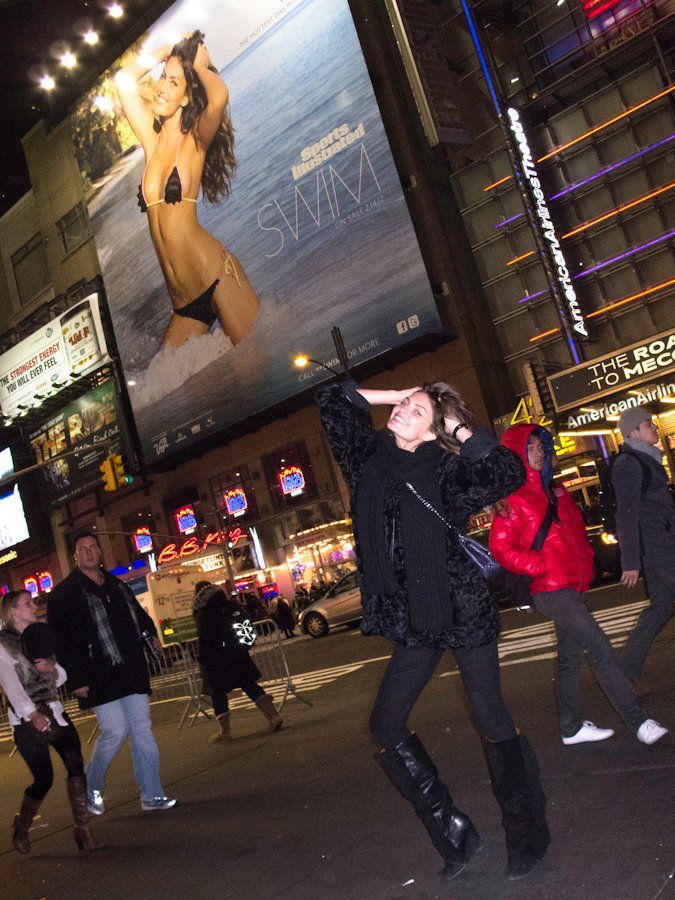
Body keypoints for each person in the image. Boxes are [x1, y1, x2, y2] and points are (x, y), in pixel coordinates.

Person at [317, 378, 549, 881]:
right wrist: (394, 393)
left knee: (491, 717)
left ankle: (528, 834)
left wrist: (460, 428)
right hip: (414, 617)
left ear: (431, 431)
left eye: (416, 411)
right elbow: (332, 399)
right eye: (402, 405)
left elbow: (507, 471)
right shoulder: (367, 459)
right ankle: (455, 834)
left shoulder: (447, 471)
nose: (403, 411)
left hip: (461, 606)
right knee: (384, 723)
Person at [489, 424, 667, 748]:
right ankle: (639, 721)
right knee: (598, 645)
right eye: (530, 447)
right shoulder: (513, 499)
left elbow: (576, 533)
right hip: (549, 588)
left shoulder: (554, 490)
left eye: (541, 446)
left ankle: (571, 728)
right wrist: (538, 566)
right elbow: (501, 547)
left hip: (572, 585)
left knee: (570, 657)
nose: (539, 451)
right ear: (516, 454)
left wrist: (587, 561)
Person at [115, 30, 259, 348]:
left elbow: (219, 96)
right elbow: (124, 81)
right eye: (163, 78)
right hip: (184, 303)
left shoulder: (194, 141)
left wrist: (198, 68)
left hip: (215, 275)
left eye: (174, 83)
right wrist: (167, 50)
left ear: (186, 97)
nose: (162, 88)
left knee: (261, 363)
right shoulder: (151, 143)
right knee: (173, 392)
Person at [47, 530, 176, 813]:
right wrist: (76, 679)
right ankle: (91, 784)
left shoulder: (116, 584)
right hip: (97, 673)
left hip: (131, 667)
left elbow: (138, 615)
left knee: (142, 729)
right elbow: (63, 641)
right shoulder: (64, 594)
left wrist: (151, 633)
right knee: (115, 731)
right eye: (84, 549)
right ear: (74, 555)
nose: (90, 552)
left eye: (94, 547)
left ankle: (152, 794)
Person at [0, 591, 101, 853]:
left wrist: (52, 669)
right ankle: (22, 825)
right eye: (27, 603)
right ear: (12, 611)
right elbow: (11, 685)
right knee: (43, 778)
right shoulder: (4, 644)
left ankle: (83, 830)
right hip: (26, 718)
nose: (34, 606)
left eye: (33, 602)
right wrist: (32, 714)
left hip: (54, 709)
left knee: (75, 762)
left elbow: (59, 676)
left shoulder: (40, 634)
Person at [612, 406, 675, 686]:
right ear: (633, 431)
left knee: (661, 607)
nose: (654, 426)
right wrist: (631, 562)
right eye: (647, 423)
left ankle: (624, 670)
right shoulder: (629, 463)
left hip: (663, 542)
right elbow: (626, 514)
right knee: (662, 606)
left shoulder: (647, 459)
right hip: (657, 547)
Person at [192, 581, 282, 742]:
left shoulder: (204, 612)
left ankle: (225, 732)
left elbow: (205, 639)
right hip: (237, 653)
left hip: (216, 659)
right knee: (249, 685)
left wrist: (201, 658)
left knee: (218, 693)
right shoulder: (229, 604)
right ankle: (273, 716)